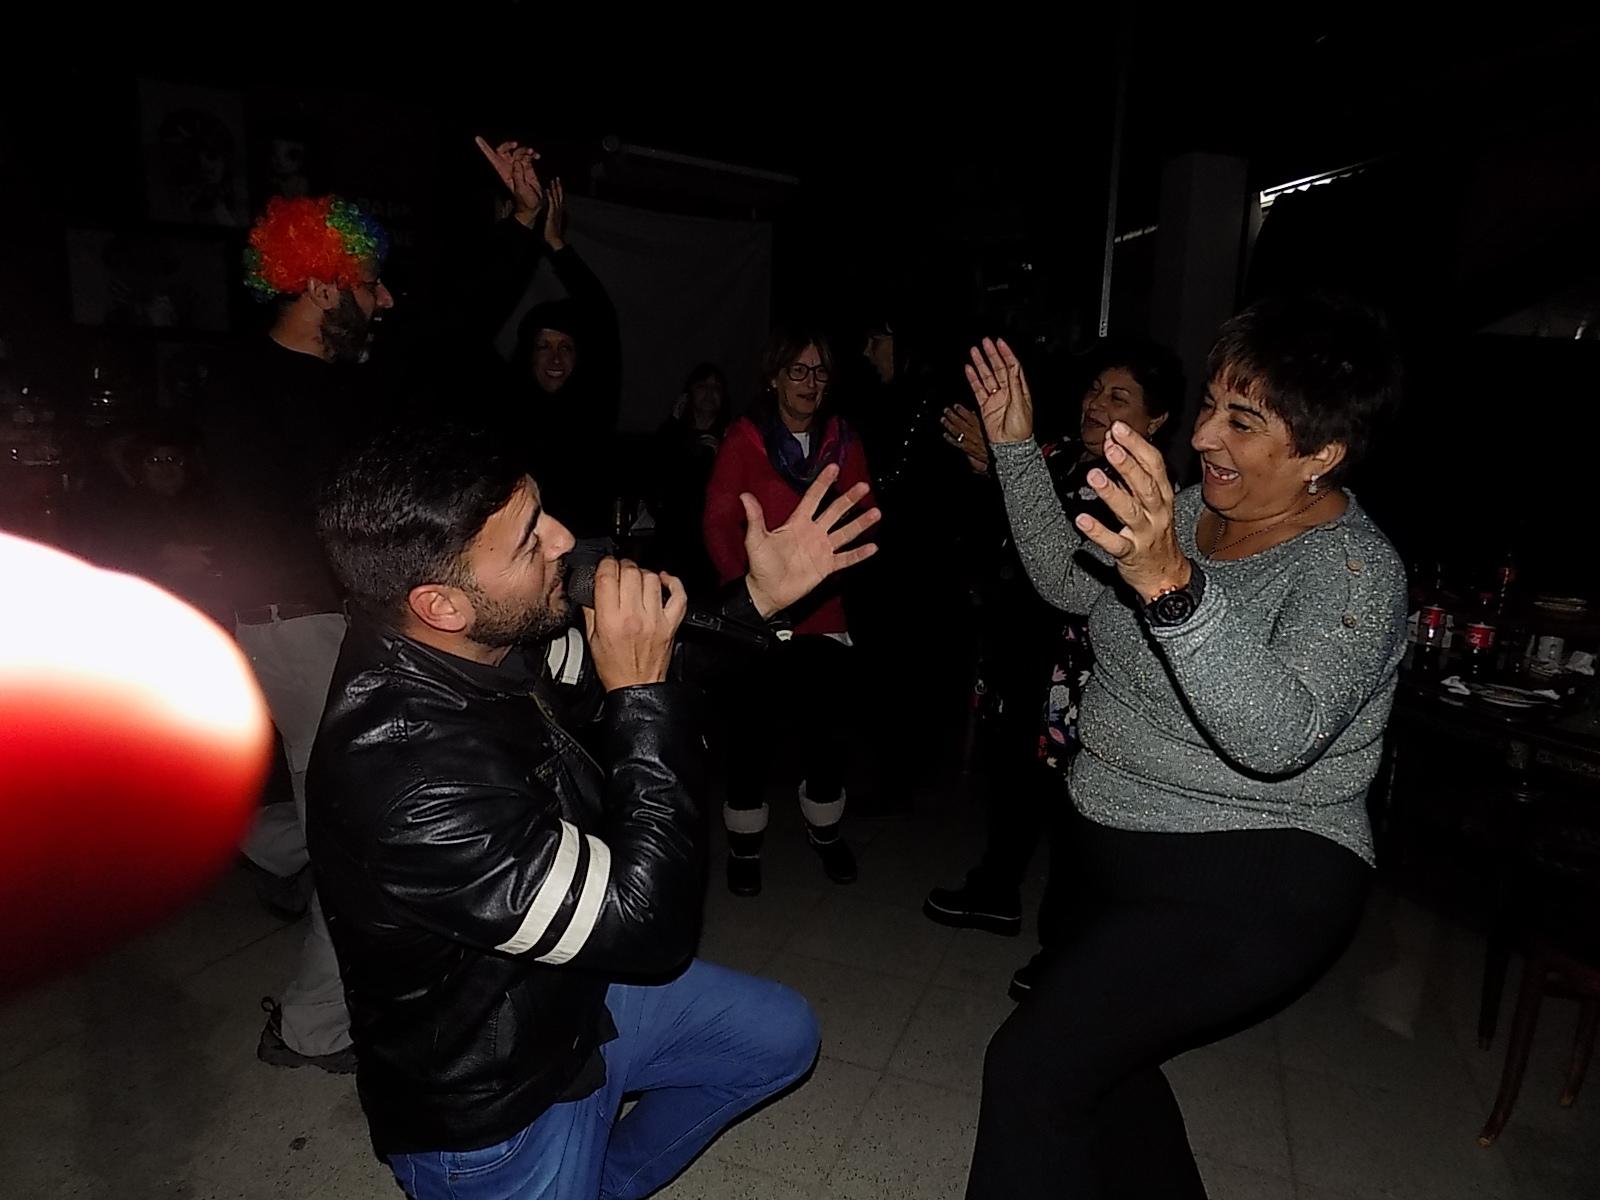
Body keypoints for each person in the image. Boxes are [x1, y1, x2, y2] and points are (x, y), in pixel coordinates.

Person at [306, 422, 880, 1199]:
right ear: (440, 604)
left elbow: (643, 659)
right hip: (496, 1107)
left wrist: (759, 598)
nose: (563, 540)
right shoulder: (409, 780)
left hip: (575, 999)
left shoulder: (488, 641)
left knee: (780, 1037)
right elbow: (650, 928)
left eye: (542, 512)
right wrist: (640, 700)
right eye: (528, 542)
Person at [962, 295, 1407, 1198]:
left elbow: (1279, 735)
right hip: (1114, 852)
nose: (1202, 436)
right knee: (1107, 1072)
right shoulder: (1194, 506)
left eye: (1241, 421)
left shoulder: (1352, 571)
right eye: (1209, 405)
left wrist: (1173, 585)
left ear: (1322, 453)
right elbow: (1068, 582)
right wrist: (1015, 450)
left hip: (1255, 873)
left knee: (1032, 1069)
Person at [924, 340, 1184, 1002]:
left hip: (1083, 670)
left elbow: (1072, 571)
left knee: (1076, 807)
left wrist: (1005, 466)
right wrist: (990, 469)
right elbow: (1008, 530)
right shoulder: (1062, 455)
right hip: (1024, 648)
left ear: (1157, 420)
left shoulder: (1148, 492)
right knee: (1014, 774)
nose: (1097, 404)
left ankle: (1064, 950)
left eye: (1119, 396)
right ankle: (995, 890)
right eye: (1095, 389)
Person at [205, 193, 394, 1073]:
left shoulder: (330, 382)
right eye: (370, 283)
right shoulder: (254, 386)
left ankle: (264, 842)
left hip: (317, 619)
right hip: (296, 623)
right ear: (320, 286)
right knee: (358, 832)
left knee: (345, 808)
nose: (384, 299)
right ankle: (311, 1028)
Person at [702, 327, 876, 895]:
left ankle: (826, 831)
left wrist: (828, 576)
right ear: (774, 378)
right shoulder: (746, 438)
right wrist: (753, 594)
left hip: (824, 615)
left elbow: (862, 517)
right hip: (756, 614)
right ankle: (744, 843)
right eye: (797, 370)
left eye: (819, 371)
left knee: (825, 737)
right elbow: (718, 522)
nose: (809, 382)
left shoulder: (842, 442)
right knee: (750, 733)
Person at [474, 140, 621, 539]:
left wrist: (557, 245)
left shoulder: (593, 402)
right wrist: (520, 224)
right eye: (544, 346)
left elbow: (602, 317)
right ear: (527, 352)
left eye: (566, 347)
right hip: (518, 549)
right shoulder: (504, 399)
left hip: (583, 550)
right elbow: (472, 319)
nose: (555, 358)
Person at [647, 362, 728, 594]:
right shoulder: (672, 434)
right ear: (690, 392)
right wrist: (673, 422)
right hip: (671, 541)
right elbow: (654, 479)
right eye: (702, 386)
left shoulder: (731, 437)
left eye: (716, 388)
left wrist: (721, 456)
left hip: (710, 544)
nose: (709, 393)